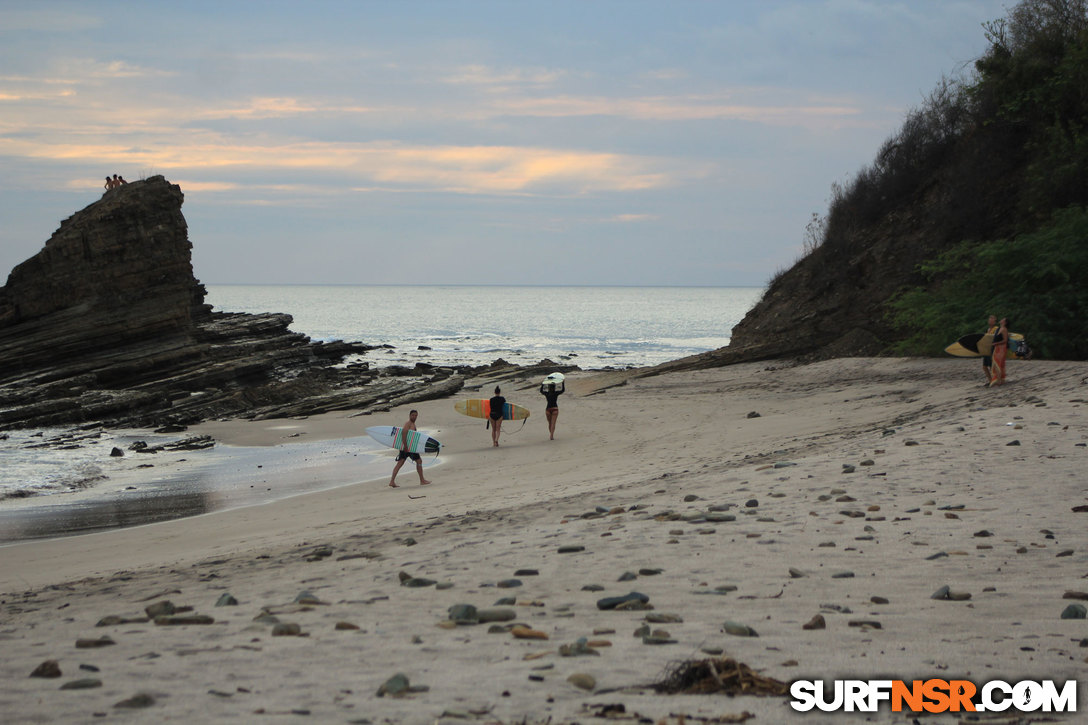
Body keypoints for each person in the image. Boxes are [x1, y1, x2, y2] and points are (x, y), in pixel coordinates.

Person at [388, 410, 431, 487]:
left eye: (415, 415)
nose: (414, 417)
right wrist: (406, 446)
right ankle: (422, 480)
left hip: (408, 447)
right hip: (408, 447)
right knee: (418, 461)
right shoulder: (408, 424)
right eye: (413, 415)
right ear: (409, 415)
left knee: (400, 463)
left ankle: (392, 481)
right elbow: (403, 433)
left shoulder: (412, 424)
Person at [990, 317, 1009, 387]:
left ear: (1005, 322)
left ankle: (999, 381)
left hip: (1001, 348)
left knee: (998, 363)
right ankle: (1000, 380)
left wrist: (996, 344)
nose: (1001, 320)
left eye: (1003, 319)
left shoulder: (1004, 329)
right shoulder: (998, 329)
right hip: (997, 348)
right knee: (997, 363)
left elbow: (1005, 340)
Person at [981, 315, 997, 385]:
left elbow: (996, 338)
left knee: (991, 366)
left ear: (994, 321)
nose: (990, 320)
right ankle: (990, 380)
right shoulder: (988, 330)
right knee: (984, 367)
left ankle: (994, 380)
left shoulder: (996, 329)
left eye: (991, 319)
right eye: (989, 319)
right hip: (986, 350)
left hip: (992, 350)